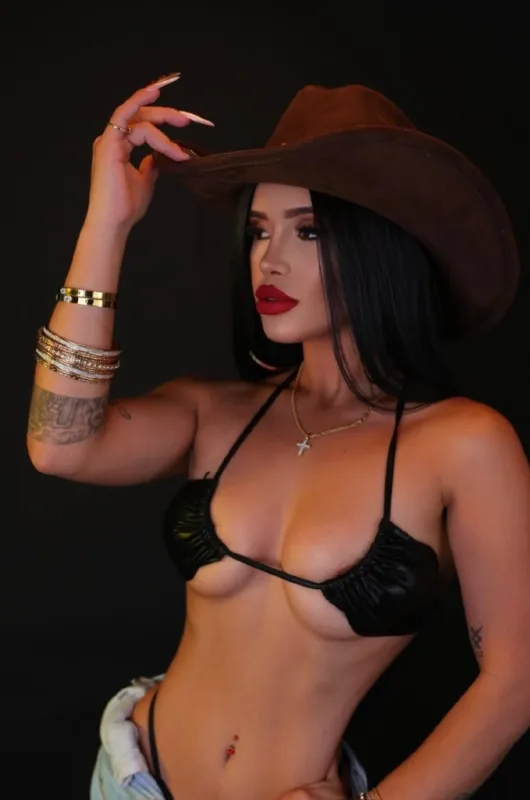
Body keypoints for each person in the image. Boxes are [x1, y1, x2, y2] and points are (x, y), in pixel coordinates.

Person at [26, 73, 530, 800]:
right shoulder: (218, 413)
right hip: (129, 776)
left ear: (379, 244)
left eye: (308, 230)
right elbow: (59, 445)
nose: (269, 259)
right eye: (259, 230)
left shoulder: (464, 444)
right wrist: (107, 224)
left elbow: (516, 680)